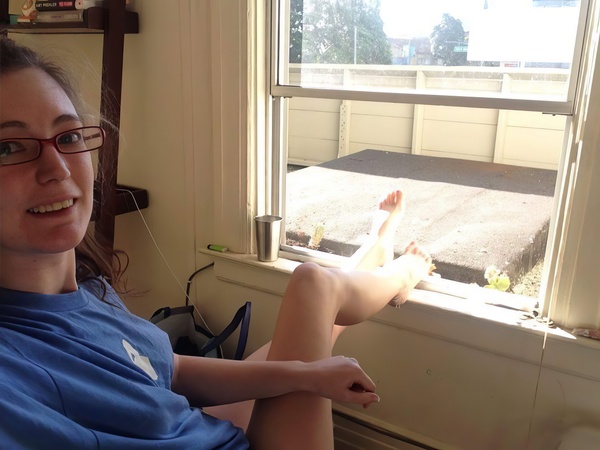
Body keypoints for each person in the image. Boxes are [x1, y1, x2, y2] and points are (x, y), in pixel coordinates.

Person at [0, 36, 432, 450]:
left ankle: (368, 256)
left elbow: (171, 371)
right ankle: (400, 273)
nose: (56, 168)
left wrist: (307, 377)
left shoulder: (90, 291)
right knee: (313, 287)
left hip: (194, 427)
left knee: (300, 353)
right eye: (9, 148)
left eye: (69, 136)